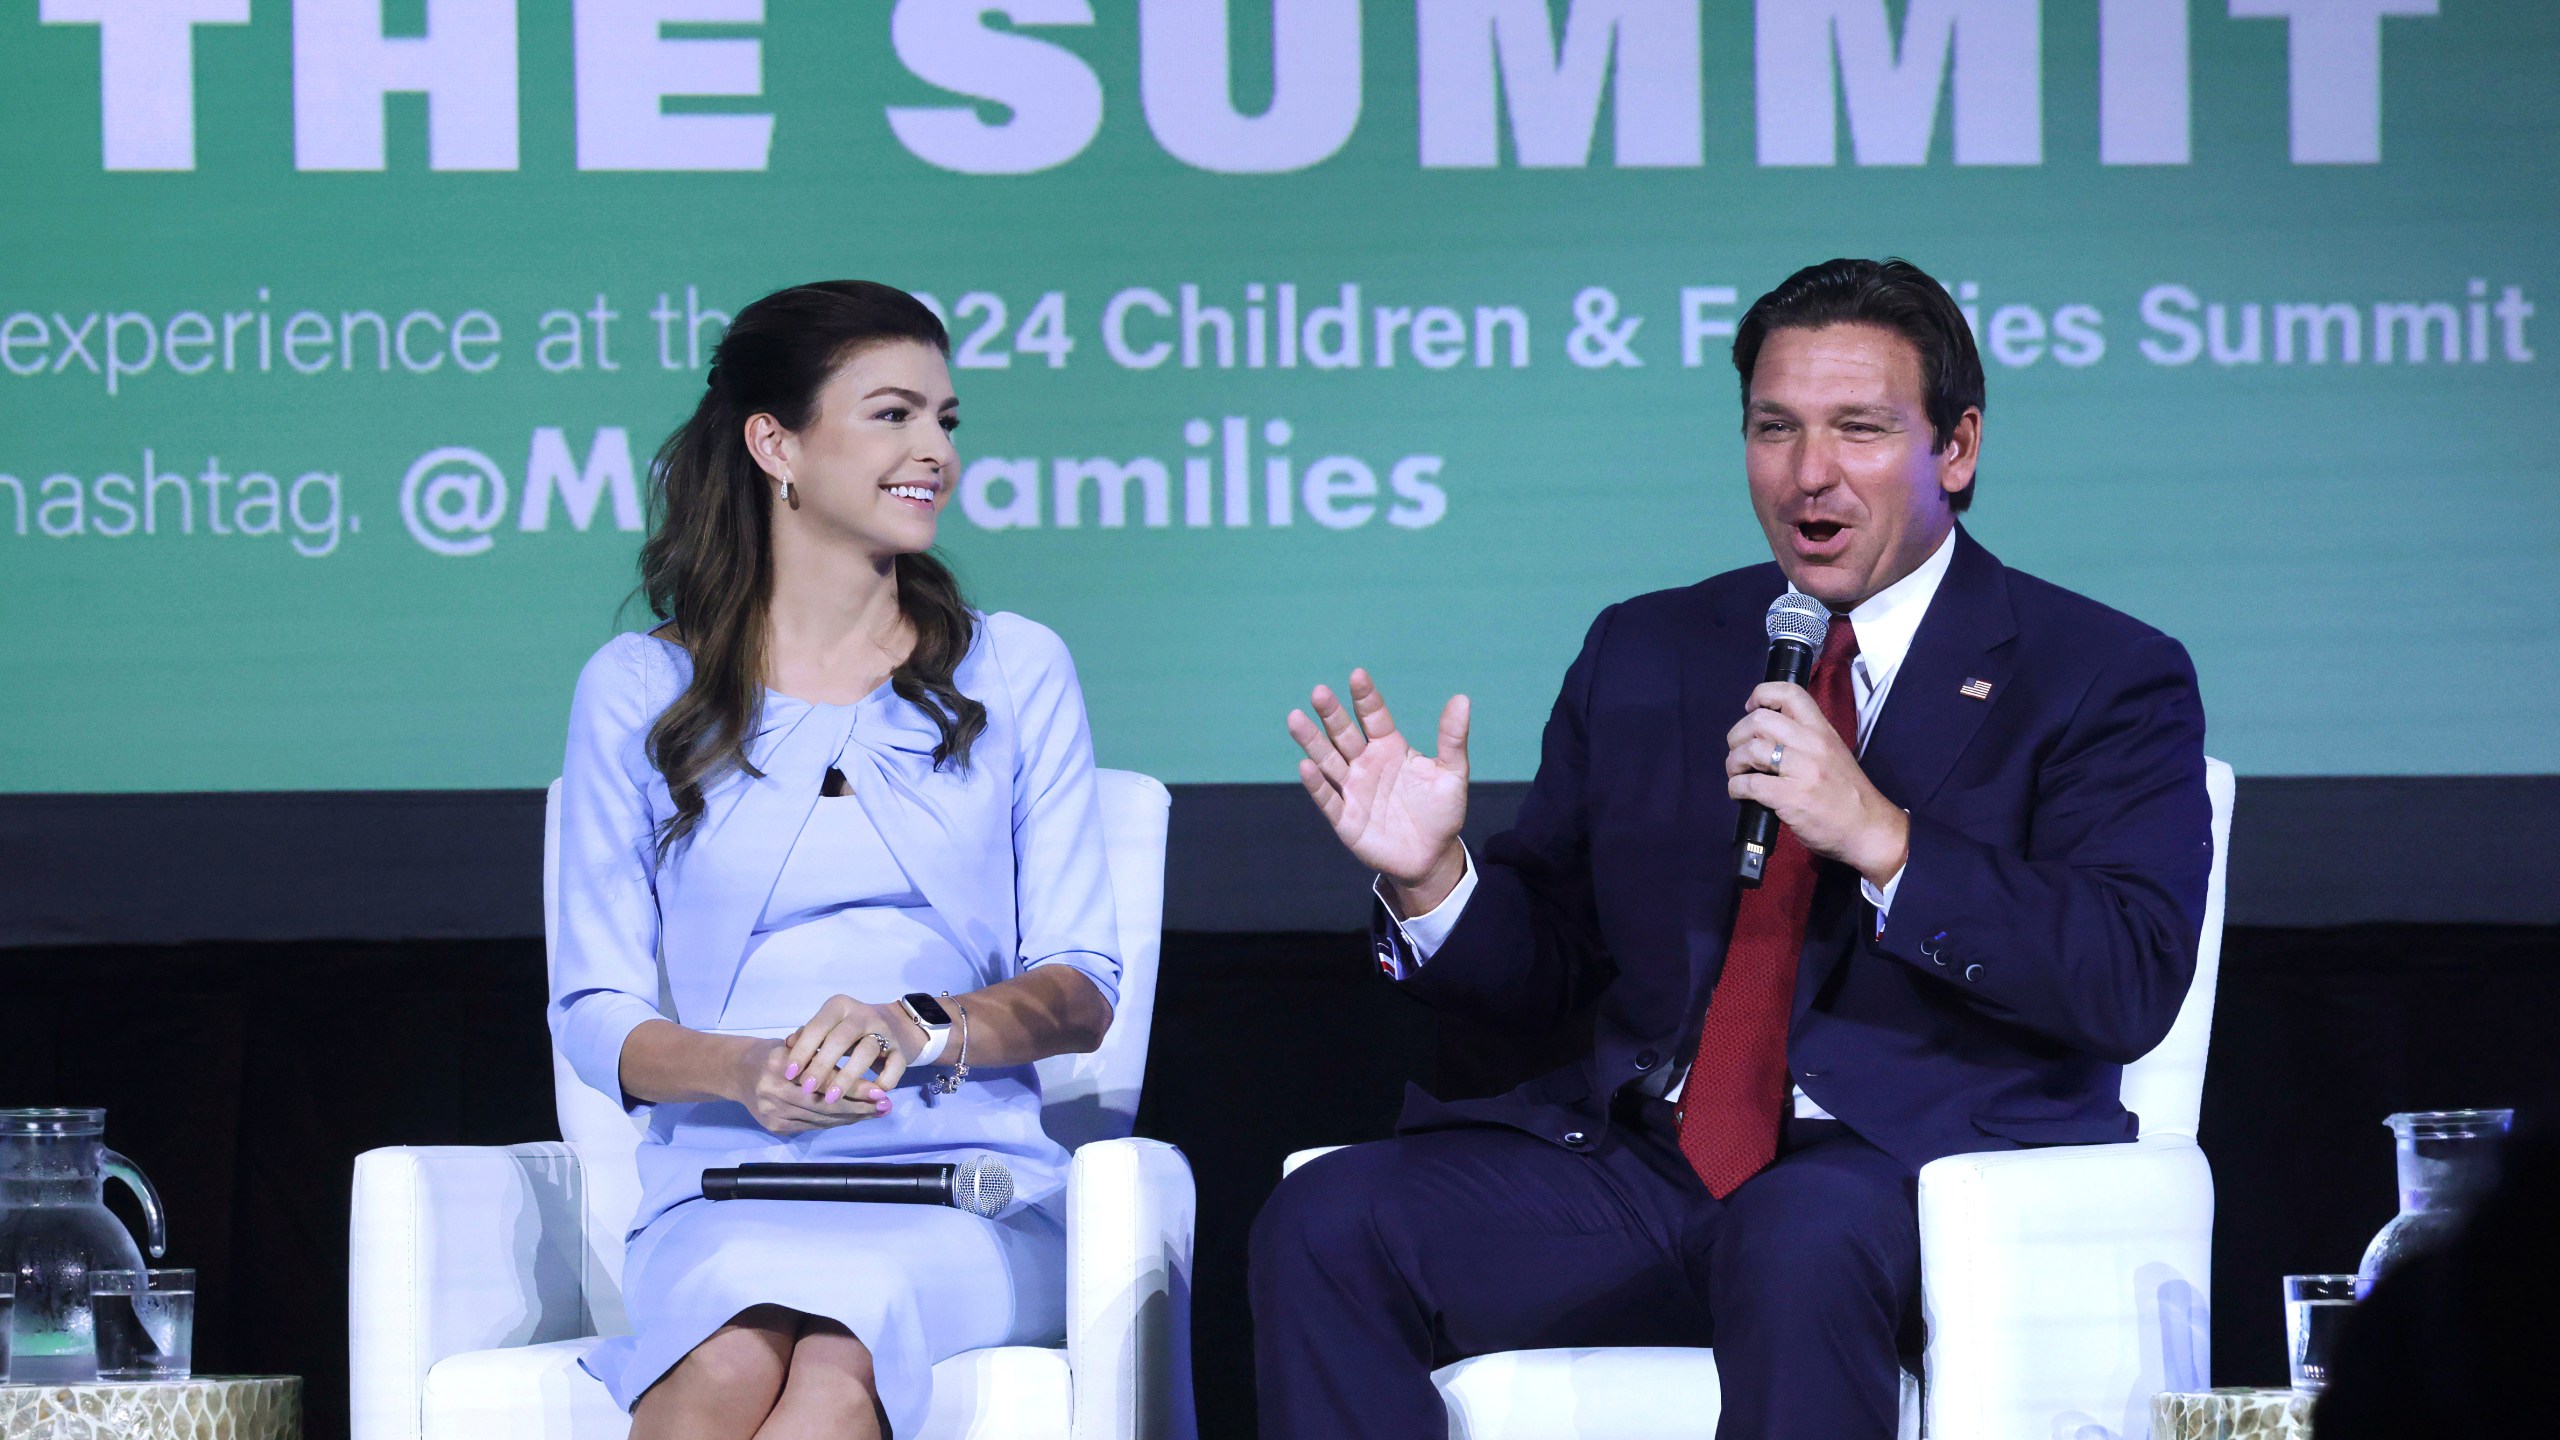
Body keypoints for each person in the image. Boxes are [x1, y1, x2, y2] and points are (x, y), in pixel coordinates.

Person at [1253, 257, 2214, 1440]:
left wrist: (1880, 836)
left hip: (1914, 1182)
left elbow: (2126, 977)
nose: (1809, 474)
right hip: (1648, 1169)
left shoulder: (2097, 673)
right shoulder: (1649, 650)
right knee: (1331, 1219)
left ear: (1955, 448)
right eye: (1775, 429)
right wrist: (1431, 881)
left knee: (1792, 1233)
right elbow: (1546, 965)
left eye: (1859, 429)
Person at [548, 280, 1121, 1440]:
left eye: (946, 421)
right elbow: (594, 1009)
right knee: (717, 1370)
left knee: (832, 1373)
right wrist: (743, 1070)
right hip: (726, 1187)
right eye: (893, 415)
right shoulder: (639, 690)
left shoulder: (1013, 670)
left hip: (964, 1188)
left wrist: (920, 1024)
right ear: (776, 444)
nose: (934, 453)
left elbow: (1083, 985)